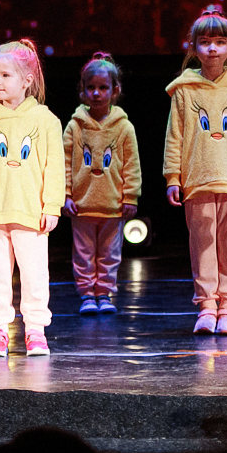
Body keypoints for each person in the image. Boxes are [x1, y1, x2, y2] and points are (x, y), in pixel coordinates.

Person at [163, 6, 227, 336]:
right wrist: (173, 177)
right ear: (194, 47)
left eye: (220, 42)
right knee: (203, 246)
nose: (212, 49)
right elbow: (175, 136)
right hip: (197, 180)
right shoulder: (183, 90)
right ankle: (207, 305)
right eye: (205, 42)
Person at [0, 38, 64, 357]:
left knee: (34, 275)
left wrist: (52, 206)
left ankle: (35, 330)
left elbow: (54, 167)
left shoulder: (45, 121)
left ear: (27, 80)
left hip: (31, 212)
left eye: (6, 75)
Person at [63, 52, 140, 314]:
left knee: (110, 254)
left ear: (115, 90)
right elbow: (64, 162)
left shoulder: (124, 127)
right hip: (82, 206)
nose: (96, 93)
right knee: (83, 254)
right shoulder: (74, 126)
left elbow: (131, 164)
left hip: (112, 205)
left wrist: (130, 196)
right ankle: (87, 294)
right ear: (83, 90)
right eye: (91, 87)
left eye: (103, 87)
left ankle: (104, 294)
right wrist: (65, 195)